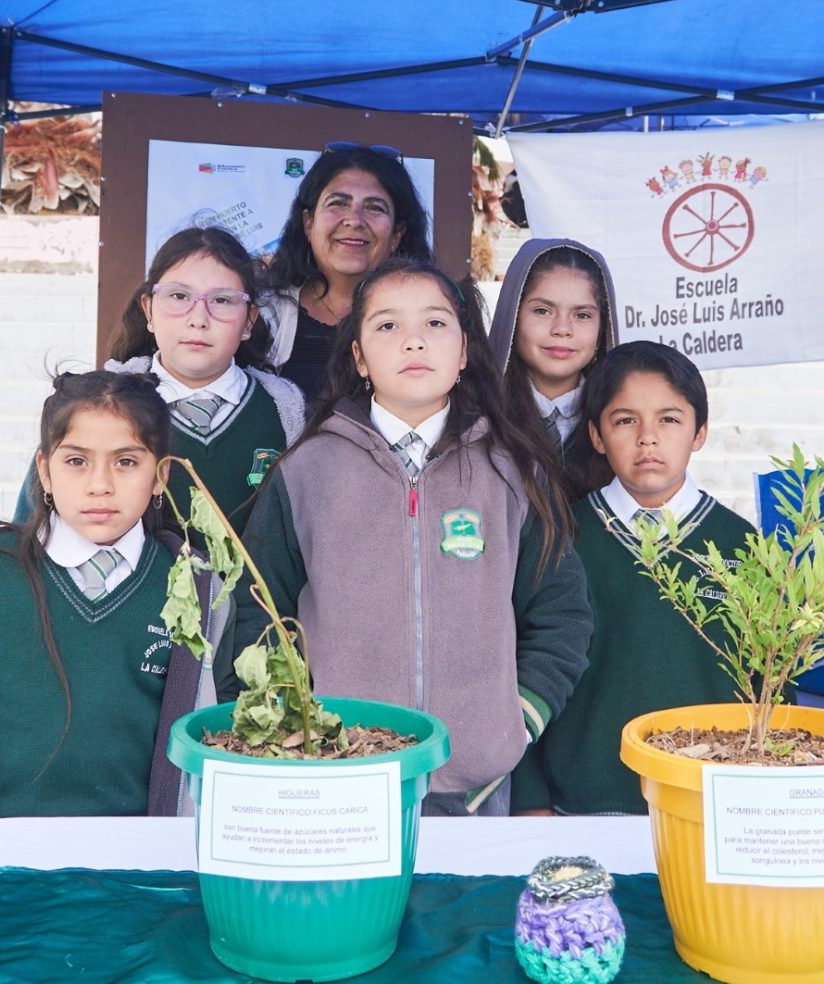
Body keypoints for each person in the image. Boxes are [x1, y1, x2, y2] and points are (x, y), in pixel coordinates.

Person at [235, 258, 592, 816]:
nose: (413, 343)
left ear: (464, 352)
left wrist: (515, 723)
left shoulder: (513, 472)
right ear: (358, 357)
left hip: (478, 792)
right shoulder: (307, 471)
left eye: (434, 324)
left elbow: (562, 613)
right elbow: (257, 612)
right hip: (338, 784)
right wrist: (295, 726)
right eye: (387, 326)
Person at [0, 370, 236, 818]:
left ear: (160, 475)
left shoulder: (199, 591)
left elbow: (223, 730)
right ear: (44, 470)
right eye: (76, 461)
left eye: (126, 462)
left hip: (147, 862)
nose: (100, 484)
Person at [510, 341, 753, 816]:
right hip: (574, 810)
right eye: (625, 420)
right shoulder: (559, 536)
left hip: (707, 811)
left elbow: (770, 687)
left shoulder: (743, 547)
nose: (648, 438)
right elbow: (519, 664)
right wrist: (530, 796)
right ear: (597, 436)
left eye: (669, 419)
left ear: (699, 432)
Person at [17, 227, 305, 532]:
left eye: (222, 300)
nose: (198, 319)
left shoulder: (285, 415)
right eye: (179, 296)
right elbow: (29, 533)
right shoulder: (94, 406)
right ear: (148, 310)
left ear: (249, 321)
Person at [260, 142, 433, 400]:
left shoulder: (432, 324)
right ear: (308, 223)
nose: (354, 220)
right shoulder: (261, 313)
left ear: (397, 234)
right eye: (338, 203)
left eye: (375, 207)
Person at [488, 238, 620, 502]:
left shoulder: (621, 421)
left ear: (602, 327)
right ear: (513, 314)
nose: (562, 328)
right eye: (542, 311)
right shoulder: (476, 419)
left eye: (582, 315)